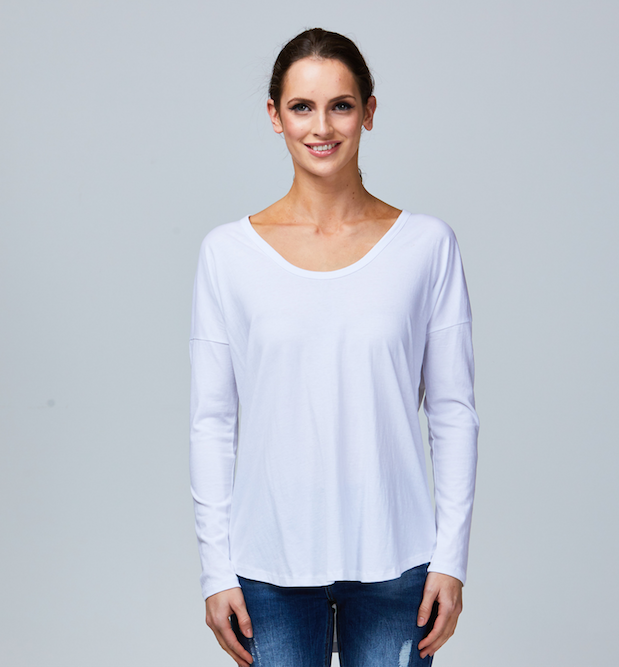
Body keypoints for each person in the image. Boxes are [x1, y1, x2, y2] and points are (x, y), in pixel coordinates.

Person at [189, 27, 479, 667]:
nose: (322, 126)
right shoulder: (227, 254)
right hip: (267, 568)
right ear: (275, 116)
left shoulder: (426, 246)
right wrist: (216, 570)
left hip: (398, 564)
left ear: (368, 111)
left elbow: (453, 413)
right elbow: (212, 422)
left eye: (341, 105)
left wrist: (451, 560)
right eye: (302, 107)